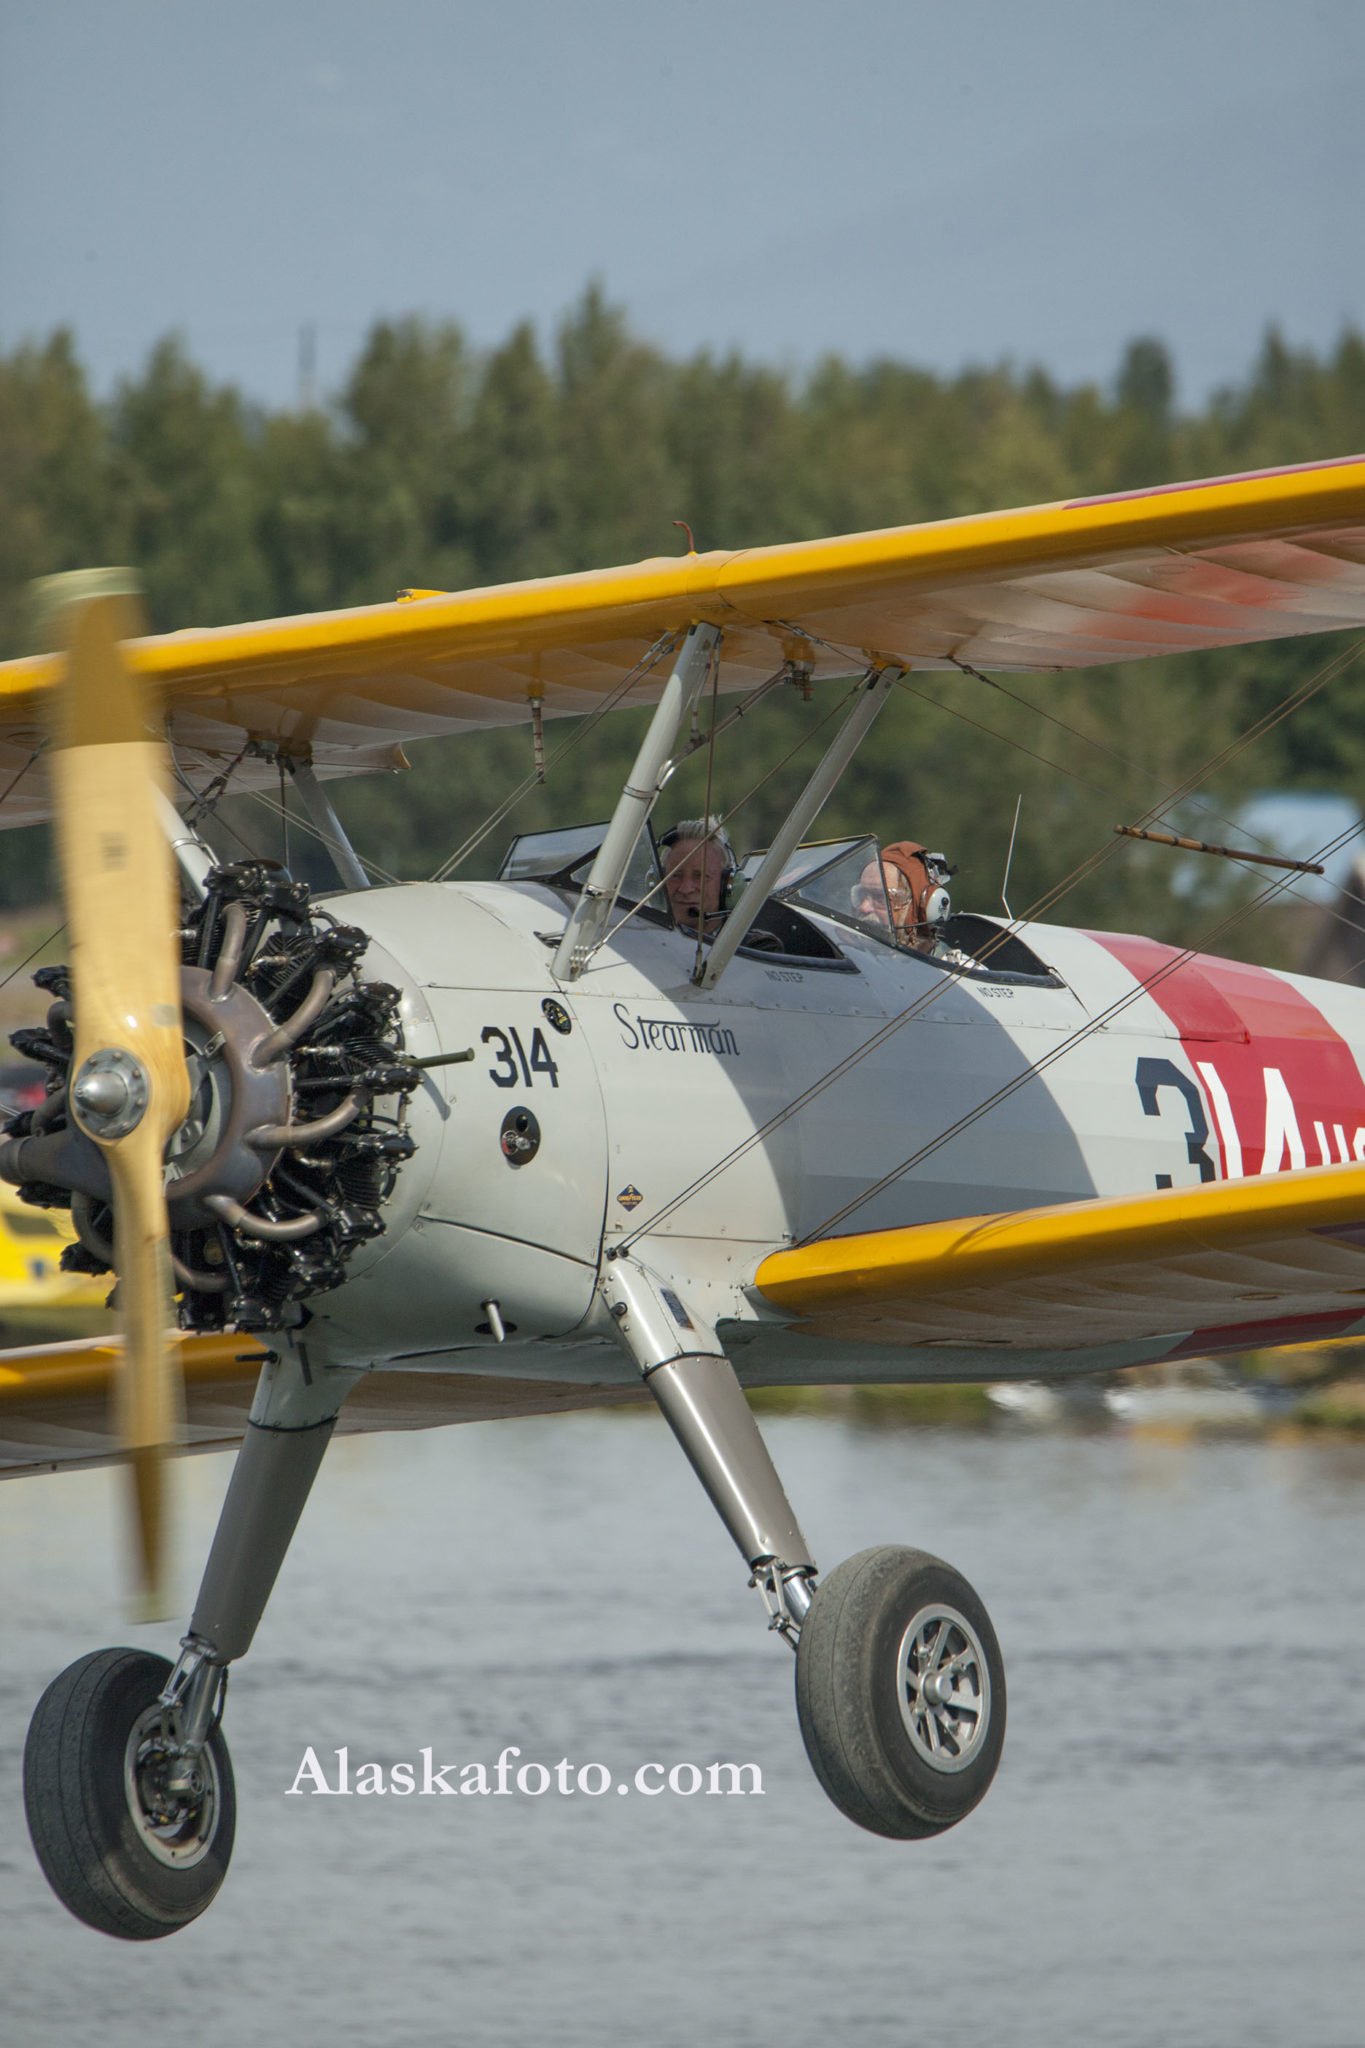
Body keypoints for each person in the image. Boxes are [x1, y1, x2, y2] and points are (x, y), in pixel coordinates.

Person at [850, 840, 954, 953]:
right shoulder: (846, 956)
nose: (863, 907)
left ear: (924, 908)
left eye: (881, 898)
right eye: (861, 895)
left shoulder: (953, 970)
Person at [659, 816, 736, 933]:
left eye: (700, 876)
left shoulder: (758, 946)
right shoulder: (638, 940)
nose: (685, 889)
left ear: (726, 885)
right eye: (675, 875)